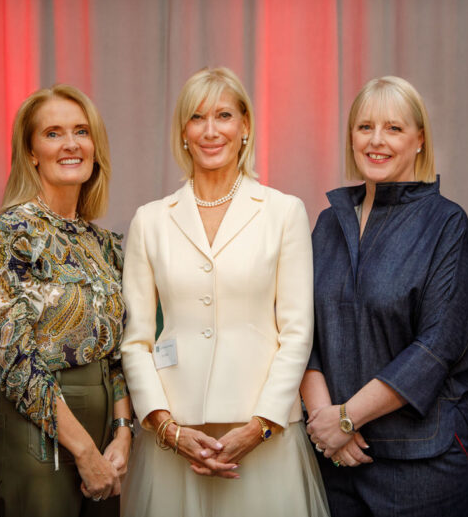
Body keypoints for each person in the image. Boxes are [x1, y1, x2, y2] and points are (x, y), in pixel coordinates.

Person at [119, 67, 329, 517]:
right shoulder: (150, 221)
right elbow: (134, 341)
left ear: (246, 126)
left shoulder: (283, 212)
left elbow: (297, 332)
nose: (211, 130)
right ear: (183, 132)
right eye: (197, 118)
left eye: (224, 116)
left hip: (262, 434)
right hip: (176, 435)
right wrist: (166, 427)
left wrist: (259, 426)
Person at [301, 75, 468, 517]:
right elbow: (301, 330)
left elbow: (435, 350)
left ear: (420, 139)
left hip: (423, 464)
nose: (376, 140)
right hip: (336, 458)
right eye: (365, 127)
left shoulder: (447, 224)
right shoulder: (328, 223)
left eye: (394, 128)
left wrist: (346, 418)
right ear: (351, 137)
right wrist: (325, 420)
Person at [0, 84, 132, 517]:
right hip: (40, 430)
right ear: (30, 153)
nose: (70, 144)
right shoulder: (7, 233)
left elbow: (117, 353)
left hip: (106, 432)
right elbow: (14, 358)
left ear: (95, 147)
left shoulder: (107, 244)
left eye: (81, 131)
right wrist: (84, 450)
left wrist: (122, 432)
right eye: (53, 133)